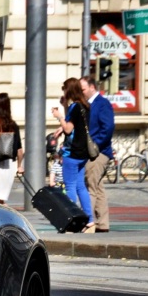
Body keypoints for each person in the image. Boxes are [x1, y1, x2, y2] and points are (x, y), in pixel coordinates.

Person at [52, 77, 95, 232]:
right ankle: (89, 220)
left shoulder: (75, 107)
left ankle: (71, 219)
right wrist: (64, 107)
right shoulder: (85, 106)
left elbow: (69, 129)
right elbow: (73, 125)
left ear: (68, 90)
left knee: (70, 186)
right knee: (80, 187)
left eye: (64, 89)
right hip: (83, 153)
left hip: (72, 152)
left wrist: (59, 117)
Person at [79, 75, 114, 232]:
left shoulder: (102, 104)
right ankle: (102, 224)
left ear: (92, 87)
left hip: (98, 152)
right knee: (98, 187)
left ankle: (88, 222)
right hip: (94, 151)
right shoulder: (88, 104)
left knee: (90, 188)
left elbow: (107, 128)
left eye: (83, 89)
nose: (81, 92)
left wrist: (94, 146)